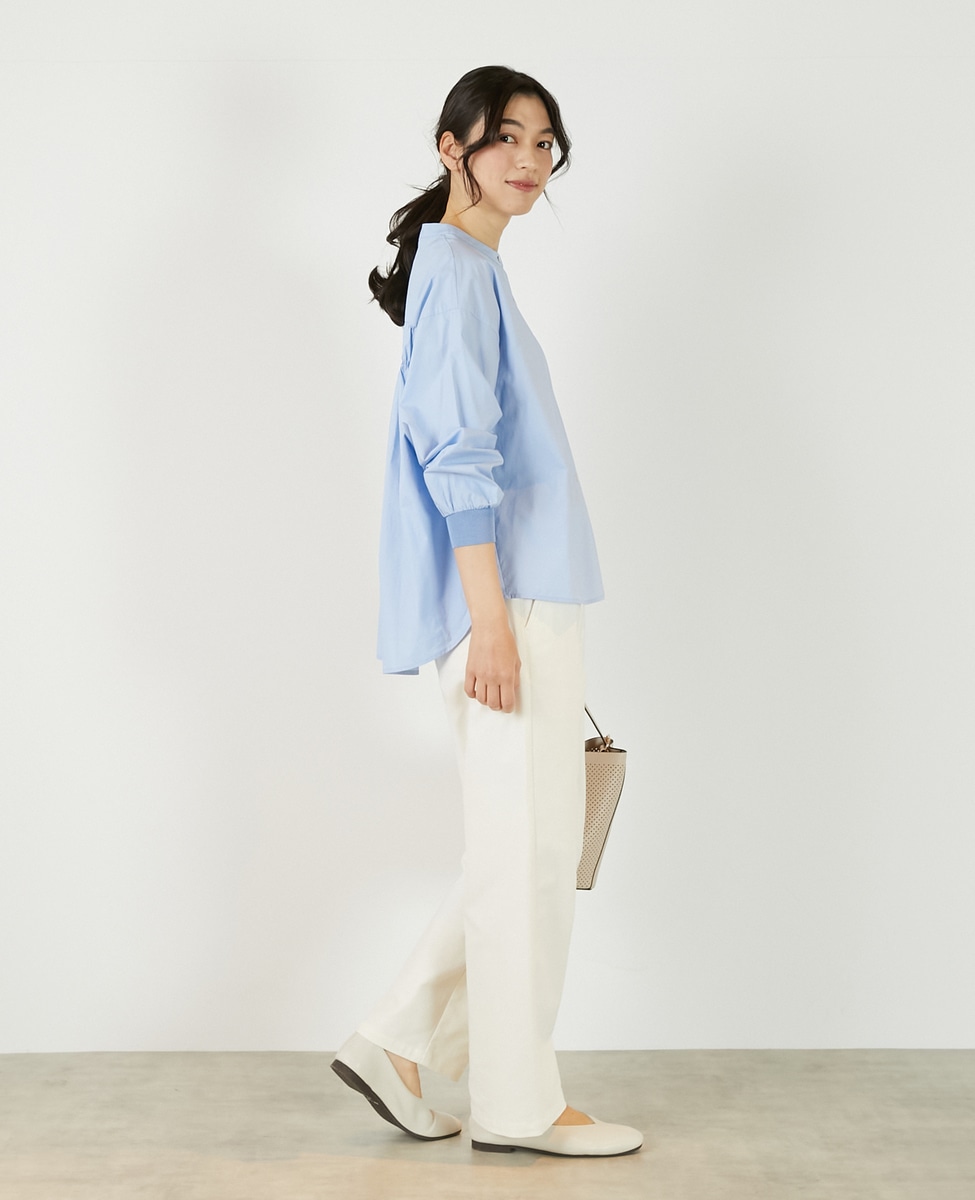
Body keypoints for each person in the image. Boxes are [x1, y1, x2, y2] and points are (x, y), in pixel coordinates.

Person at [330, 65, 642, 1158]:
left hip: (525, 595)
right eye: (507, 136)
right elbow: (454, 451)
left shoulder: (470, 269)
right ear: (451, 145)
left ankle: (398, 1044)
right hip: (505, 601)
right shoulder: (457, 271)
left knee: (526, 850)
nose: (529, 159)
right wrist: (493, 620)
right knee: (525, 864)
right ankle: (516, 1105)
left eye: (545, 143)